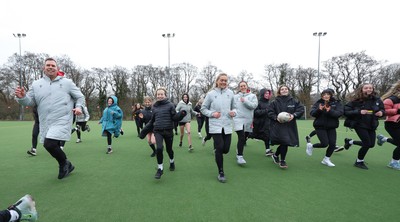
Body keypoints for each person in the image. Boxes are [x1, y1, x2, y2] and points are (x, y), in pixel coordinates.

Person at [15, 58, 84, 179]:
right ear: (44, 68)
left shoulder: (67, 83)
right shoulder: (36, 84)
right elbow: (30, 101)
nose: (50, 67)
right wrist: (22, 97)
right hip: (45, 120)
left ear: (57, 68)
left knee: (49, 143)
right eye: (48, 65)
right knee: (48, 145)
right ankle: (66, 163)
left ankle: (64, 163)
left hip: (62, 119)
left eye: (53, 65)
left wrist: (78, 107)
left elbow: (80, 97)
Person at [140, 87, 186, 179]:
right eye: (158, 94)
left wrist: (181, 114)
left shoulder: (170, 105)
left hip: (168, 131)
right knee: (159, 148)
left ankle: (172, 161)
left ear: (165, 95)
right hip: (158, 131)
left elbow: (174, 118)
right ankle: (160, 169)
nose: (160, 96)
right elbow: (152, 121)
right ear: (156, 95)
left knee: (169, 150)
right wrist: (143, 132)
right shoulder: (154, 106)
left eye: (161, 94)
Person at [201, 73, 236, 183]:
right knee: (220, 148)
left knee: (226, 149)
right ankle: (221, 172)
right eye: (221, 80)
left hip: (227, 125)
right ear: (217, 81)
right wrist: (212, 114)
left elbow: (235, 108)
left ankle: (217, 150)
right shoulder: (211, 94)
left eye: (225, 80)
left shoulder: (231, 93)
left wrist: (233, 112)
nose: (223, 82)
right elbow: (203, 108)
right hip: (215, 125)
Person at [343, 83, 384, 170]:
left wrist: (381, 113)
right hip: (359, 124)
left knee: (371, 144)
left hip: (372, 124)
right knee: (367, 143)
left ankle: (350, 142)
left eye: (370, 88)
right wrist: (359, 111)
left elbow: (382, 109)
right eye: (366, 88)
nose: (369, 89)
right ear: (361, 89)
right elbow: (346, 112)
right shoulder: (355, 100)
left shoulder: (377, 100)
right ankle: (359, 161)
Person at [268, 85, 304, 169]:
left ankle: (276, 155)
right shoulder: (274, 102)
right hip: (278, 125)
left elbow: (301, 109)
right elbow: (269, 112)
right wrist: (276, 118)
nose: (284, 90)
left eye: (286, 89)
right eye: (282, 89)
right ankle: (282, 160)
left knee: (285, 142)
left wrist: (294, 115)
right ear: (279, 91)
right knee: (285, 141)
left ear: (288, 90)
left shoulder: (294, 101)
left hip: (290, 125)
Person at [307, 89, 344, 167]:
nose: (326, 96)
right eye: (324, 94)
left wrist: (330, 111)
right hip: (320, 126)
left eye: (328, 94)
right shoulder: (318, 103)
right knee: (324, 144)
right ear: (322, 95)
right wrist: (319, 110)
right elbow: (312, 113)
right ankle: (311, 146)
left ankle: (326, 159)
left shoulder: (336, 103)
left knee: (332, 144)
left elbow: (339, 113)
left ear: (331, 95)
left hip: (331, 126)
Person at [376, 80, 400, 170]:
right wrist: (397, 111)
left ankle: (384, 139)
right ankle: (394, 162)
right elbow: (384, 111)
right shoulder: (391, 99)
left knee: (398, 142)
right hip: (392, 124)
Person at [233, 81, 258, 164]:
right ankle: (240, 156)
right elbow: (232, 106)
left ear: (247, 86)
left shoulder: (253, 96)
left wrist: (245, 101)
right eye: (241, 86)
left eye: (244, 85)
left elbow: (254, 106)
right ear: (239, 88)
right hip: (238, 119)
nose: (243, 87)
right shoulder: (235, 96)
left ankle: (238, 149)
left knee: (244, 138)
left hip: (248, 119)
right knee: (241, 136)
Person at [249, 88, 274, 156]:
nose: (267, 95)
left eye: (268, 93)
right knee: (253, 135)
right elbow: (255, 112)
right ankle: (246, 137)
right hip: (258, 123)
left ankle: (267, 150)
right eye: (266, 93)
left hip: (267, 123)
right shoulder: (258, 103)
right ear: (262, 94)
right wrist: (266, 111)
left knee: (267, 136)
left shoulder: (269, 103)